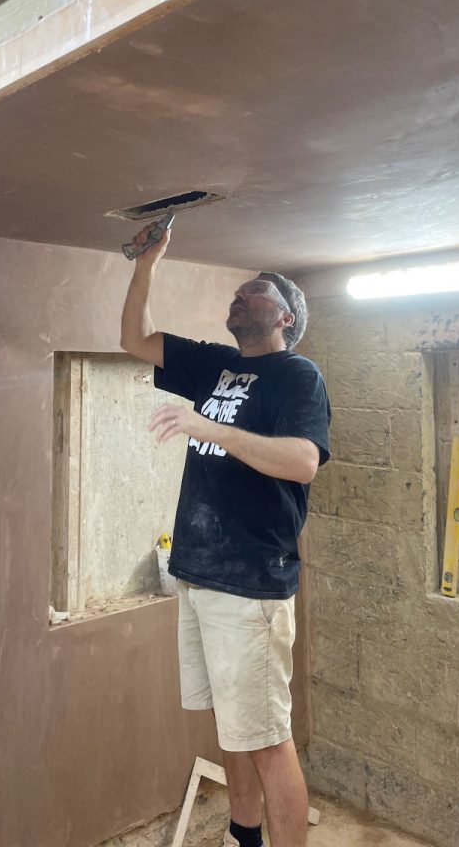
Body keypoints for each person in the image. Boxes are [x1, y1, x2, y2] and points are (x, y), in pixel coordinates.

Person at [120, 221, 330, 847]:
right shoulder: (216, 364)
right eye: (238, 292)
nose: (241, 295)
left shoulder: (298, 376)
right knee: (233, 729)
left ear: (286, 317)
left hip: (250, 585)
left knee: (266, 739)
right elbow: (134, 339)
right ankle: (245, 837)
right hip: (198, 573)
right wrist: (146, 264)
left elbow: (303, 461)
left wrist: (207, 428)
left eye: (256, 291)